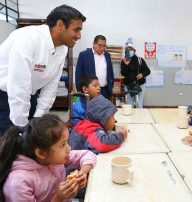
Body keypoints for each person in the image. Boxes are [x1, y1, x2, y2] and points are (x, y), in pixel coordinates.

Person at [0, 5, 86, 136]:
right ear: (60, 25)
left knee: (30, 138)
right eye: (76, 30)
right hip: (6, 97)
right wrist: (22, 127)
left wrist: (37, 118)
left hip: (30, 95)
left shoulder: (62, 49)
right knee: (9, 143)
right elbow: (18, 87)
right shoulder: (27, 38)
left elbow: (51, 87)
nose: (79, 36)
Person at [0, 114, 97, 201]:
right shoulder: (19, 183)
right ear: (41, 153)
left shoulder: (51, 158)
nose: (69, 148)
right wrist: (58, 198)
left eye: (67, 142)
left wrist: (81, 174)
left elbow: (88, 155)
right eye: (62, 145)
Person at [75, 35, 114, 99]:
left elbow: (110, 73)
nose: (102, 48)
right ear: (93, 43)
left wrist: (110, 87)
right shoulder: (84, 55)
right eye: (99, 45)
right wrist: (80, 90)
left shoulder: (107, 55)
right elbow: (78, 74)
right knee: (90, 108)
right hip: (90, 91)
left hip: (105, 91)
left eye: (104, 46)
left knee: (103, 108)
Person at [121, 38, 151, 108]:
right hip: (129, 86)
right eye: (127, 49)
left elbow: (148, 71)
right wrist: (126, 65)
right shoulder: (124, 60)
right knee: (130, 105)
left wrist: (142, 74)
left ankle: (140, 118)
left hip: (140, 85)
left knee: (139, 105)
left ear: (134, 50)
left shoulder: (140, 60)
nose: (129, 51)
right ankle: (131, 118)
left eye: (131, 49)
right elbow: (123, 73)